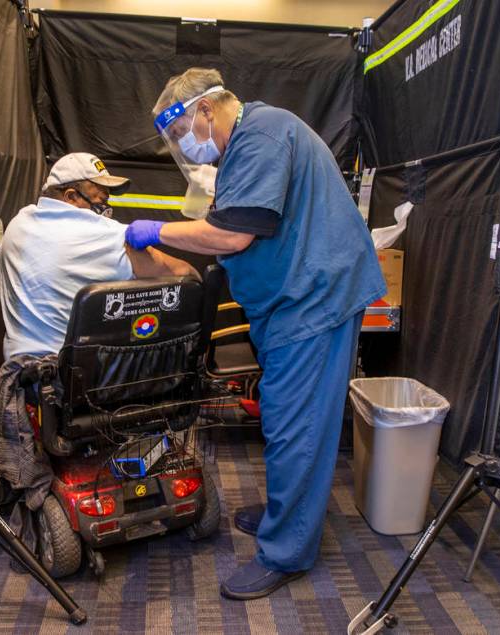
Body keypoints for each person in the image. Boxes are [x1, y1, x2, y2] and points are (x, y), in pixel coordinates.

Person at [125, 68, 386, 600]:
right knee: (285, 411)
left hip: (314, 300)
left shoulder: (263, 135)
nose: (184, 147)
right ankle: (287, 511)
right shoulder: (251, 139)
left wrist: (154, 230)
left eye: (179, 135)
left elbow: (233, 232)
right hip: (291, 297)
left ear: (204, 110)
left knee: (296, 422)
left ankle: (286, 551)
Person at [0, 152, 198, 358]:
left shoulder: (18, 224)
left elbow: (0, 273)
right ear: (71, 196)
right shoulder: (108, 234)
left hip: (18, 374)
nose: (106, 210)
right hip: (73, 374)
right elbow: (184, 274)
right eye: (100, 200)